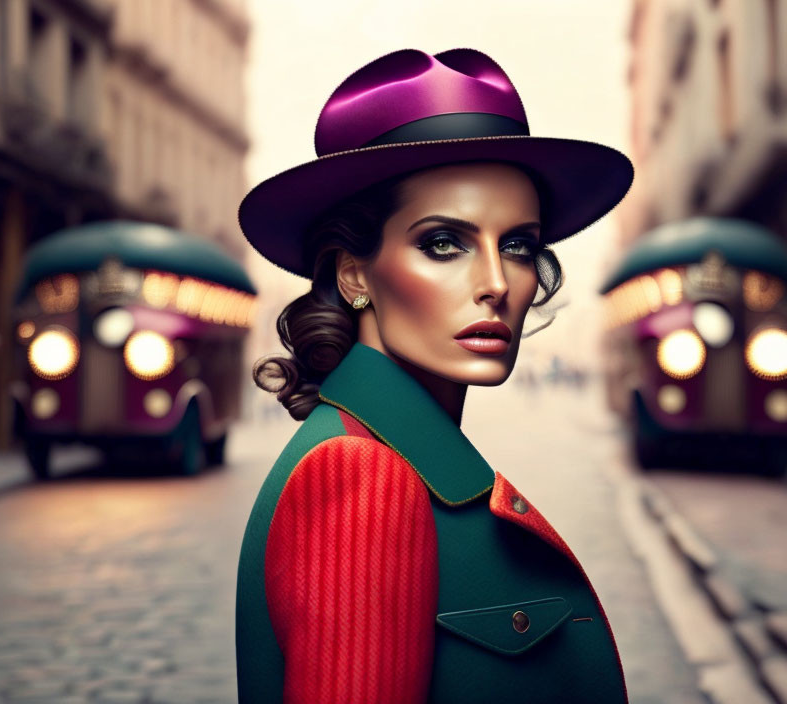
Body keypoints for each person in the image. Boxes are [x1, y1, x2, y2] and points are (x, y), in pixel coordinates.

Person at [235, 49, 633, 704]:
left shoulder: (396, 454)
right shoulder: (362, 474)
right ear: (354, 272)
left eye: (518, 245)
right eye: (444, 243)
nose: (498, 285)